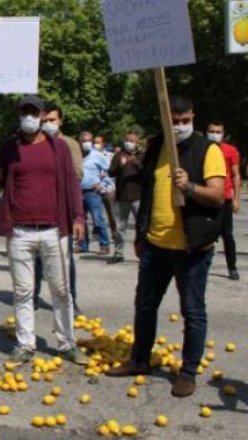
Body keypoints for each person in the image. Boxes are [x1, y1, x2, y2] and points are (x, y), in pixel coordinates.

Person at [107, 96, 226, 399]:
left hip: (192, 248)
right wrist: (140, 236)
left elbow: (216, 196)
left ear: (193, 118)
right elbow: (147, 194)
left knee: (193, 311)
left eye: (185, 120)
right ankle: (139, 359)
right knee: (145, 305)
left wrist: (189, 187)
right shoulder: (156, 148)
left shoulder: (207, 150)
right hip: (156, 246)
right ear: (165, 121)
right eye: (174, 121)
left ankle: (188, 373)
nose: (180, 126)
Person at [0, 96, 88, 366]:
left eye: (34, 112)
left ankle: (66, 343)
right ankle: (25, 344)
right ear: (19, 116)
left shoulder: (59, 147)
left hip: (54, 229)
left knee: (61, 291)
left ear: (42, 116)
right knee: (24, 291)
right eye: (25, 112)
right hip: (19, 232)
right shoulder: (7, 149)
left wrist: (78, 216)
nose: (29, 117)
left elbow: (73, 184)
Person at [34, 104, 83, 312]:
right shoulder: (35, 142)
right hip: (39, 208)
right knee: (36, 258)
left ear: (60, 121)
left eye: (52, 120)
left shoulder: (69, 144)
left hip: (63, 210)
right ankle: (33, 297)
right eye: (45, 120)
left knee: (65, 258)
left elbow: (78, 174)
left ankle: (70, 299)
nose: (48, 124)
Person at [207, 121, 240, 280]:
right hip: (206, 196)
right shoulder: (202, 149)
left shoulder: (230, 150)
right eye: (212, 131)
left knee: (227, 234)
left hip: (225, 197)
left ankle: (232, 267)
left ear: (223, 133)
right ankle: (200, 265)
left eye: (218, 131)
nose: (215, 134)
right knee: (205, 231)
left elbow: (236, 175)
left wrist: (236, 199)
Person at [107, 129, 144, 264]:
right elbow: (110, 173)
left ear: (137, 142)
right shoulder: (118, 155)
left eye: (132, 141)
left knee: (141, 226)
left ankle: (143, 252)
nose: (129, 143)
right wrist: (120, 166)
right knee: (119, 227)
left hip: (138, 196)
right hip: (121, 196)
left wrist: (136, 164)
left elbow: (147, 174)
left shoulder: (142, 155)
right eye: (127, 140)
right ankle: (118, 252)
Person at [78, 131, 112, 255]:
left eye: (89, 140)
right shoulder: (76, 156)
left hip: (92, 192)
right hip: (78, 192)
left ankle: (104, 245)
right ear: (80, 142)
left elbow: (110, 170)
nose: (87, 143)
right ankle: (83, 244)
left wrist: (103, 184)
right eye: (84, 140)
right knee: (80, 220)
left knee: (98, 220)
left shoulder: (97, 155)